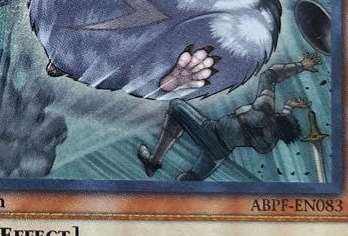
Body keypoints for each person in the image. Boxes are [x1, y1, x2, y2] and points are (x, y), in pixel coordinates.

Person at [137, 53, 320, 181]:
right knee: (190, 180)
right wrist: (288, 107)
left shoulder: (264, 109)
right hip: (219, 154)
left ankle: (154, 162)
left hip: (209, 132)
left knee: (176, 106)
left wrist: (301, 65)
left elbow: (269, 75)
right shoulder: (268, 143)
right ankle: (156, 168)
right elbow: (279, 124)